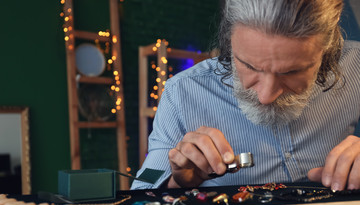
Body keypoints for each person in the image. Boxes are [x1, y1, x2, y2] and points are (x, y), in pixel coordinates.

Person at [131, 0, 360, 191]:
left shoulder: (356, 64)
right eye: (249, 66)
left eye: (292, 71)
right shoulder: (181, 92)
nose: (266, 96)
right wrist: (175, 181)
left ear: (328, 44)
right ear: (228, 39)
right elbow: (145, 183)